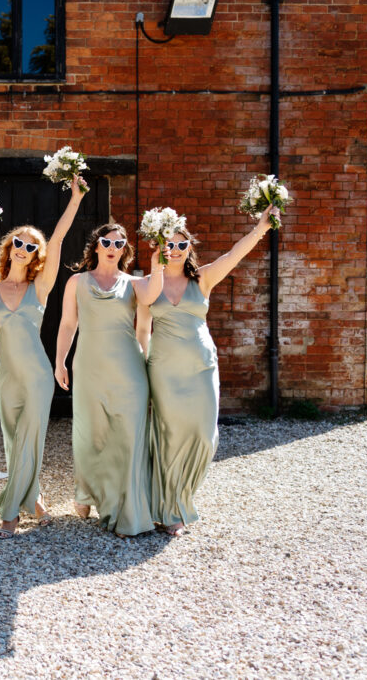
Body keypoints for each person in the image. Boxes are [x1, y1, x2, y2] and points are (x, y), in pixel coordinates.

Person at [141, 206, 278, 536]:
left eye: (181, 244)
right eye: (169, 244)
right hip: (163, 369)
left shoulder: (202, 278)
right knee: (169, 437)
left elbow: (234, 255)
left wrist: (261, 228)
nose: (175, 250)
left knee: (204, 435)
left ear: (189, 247)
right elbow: (142, 330)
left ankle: (181, 496)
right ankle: (172, 509)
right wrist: (141, 367)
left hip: (201, 366)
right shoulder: (147, 284)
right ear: (158, 246)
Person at [0, 175, 85, 539]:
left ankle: (10, 513)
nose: (23, 248)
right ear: (9, 248)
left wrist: (75, 198)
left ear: (35, 254)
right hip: (6, 377)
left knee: (28, 439)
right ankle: (36, 499)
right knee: (13, 442)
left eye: (30, 245)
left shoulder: (39, 287)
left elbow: (57, 242)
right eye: (19, 242)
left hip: (37, 376)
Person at [54, 222, 163, 537]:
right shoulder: (77, 281)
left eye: (119, 243)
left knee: (128, 435)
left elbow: (152, 297)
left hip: (129, 369)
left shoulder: (135, 284)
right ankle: (88, 492)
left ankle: (127, 507)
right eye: (107, 241)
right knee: (90, 433)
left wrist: (157, 263)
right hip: (89, 367)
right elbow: (68, 324)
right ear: (96, 245)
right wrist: (60, 361)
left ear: (124, 249)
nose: (112, 247)